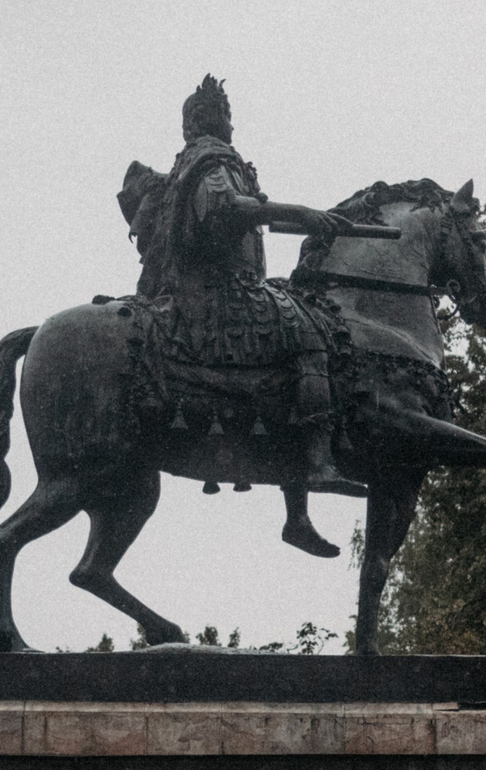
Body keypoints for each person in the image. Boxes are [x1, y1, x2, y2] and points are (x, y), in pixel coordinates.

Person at [117, 75, 367, 525]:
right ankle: (320, 462)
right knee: (310, 332)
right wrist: (298, 213)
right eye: (226, 113)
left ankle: (299, 518)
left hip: (211, 288)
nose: (231, 123)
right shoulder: (212, 161)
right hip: (216, 293)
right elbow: (226, 209)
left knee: (294, 326)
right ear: (209, 118)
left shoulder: (188, 164)